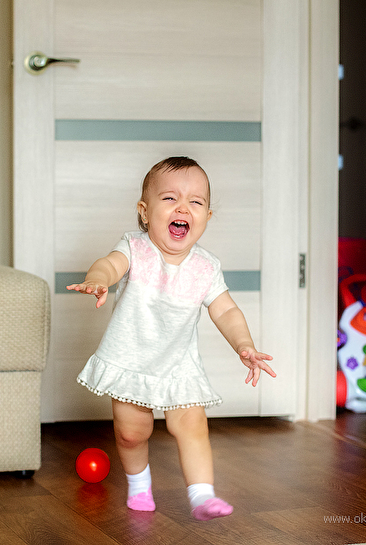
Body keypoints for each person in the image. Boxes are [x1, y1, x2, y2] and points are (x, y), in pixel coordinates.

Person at [67, 156, 276, 521]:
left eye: (196, 201)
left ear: (207, 217)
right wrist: (98, 279)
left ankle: (202, 496)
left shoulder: (205, 267)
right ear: (144, 212)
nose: (183, 208)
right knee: (132, 434)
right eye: (170, 198)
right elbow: (109, 264)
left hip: (179, 366)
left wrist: (244, 345)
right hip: (131, 361)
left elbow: (226, 310)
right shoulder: (135, 248)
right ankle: (139, 485)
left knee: (192, 426)